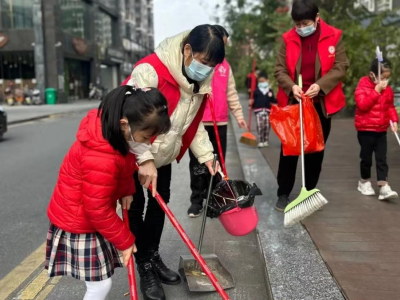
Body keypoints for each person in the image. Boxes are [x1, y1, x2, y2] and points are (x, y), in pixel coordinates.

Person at [122, 24, 224, 300]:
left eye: (212, 65)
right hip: (134, 155)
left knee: (160, 203)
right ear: (188, 50)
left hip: (164, 154)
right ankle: (143, 264)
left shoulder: (197, 83)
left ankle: (152, 255)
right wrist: (143, 159)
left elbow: (192, 124)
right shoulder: (151, 71)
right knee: (136, 206)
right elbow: (130, 119)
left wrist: (207, 157)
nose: (207, 69)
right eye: (204, 62)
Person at [45, 86, 171, 300]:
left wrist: (127, 190)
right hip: (80, 221)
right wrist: (126, 240)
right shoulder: (100, 155)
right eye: (147, 136)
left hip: (90, 217)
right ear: (124, 124)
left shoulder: (114, 135)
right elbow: (97, 208)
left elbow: (123, 164)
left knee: (100, 280)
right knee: (100, 285)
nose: (148, 142)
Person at [274, 0, 349, 211]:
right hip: (295, 102)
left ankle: (308, 192)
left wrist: (320, 85)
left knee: (315, 149)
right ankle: (283, 193)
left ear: (317, 18)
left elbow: (340, 66)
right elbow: (279, 70)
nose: (300, 28)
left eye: (304, 23)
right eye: (296, 24)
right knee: (289, 149)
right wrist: (291, 87)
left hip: (320, 104)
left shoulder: (334, 35)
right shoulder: (288, 39)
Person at [187, 25, 247, 218]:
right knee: (197, 164)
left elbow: (231, 93)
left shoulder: (225, 67)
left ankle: (214, 199)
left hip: (219, 122)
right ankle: (196, 200)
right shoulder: (199, 63)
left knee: (218, 163)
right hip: (198, 123)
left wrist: (238, 115)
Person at [355, 58, 398, 200]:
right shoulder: (362, 87)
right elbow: (363, 105)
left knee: (381, 158)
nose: (384, 82)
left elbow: (390, 107)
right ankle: (364, 181)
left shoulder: (388, 90)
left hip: (381, 130)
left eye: (387, 78)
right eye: (382, 78)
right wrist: (376, 91)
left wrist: (394, 120)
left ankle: (383, 185)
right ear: (372, 75)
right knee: (366, 158)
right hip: (366, 130)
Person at [249, 71, 277, 148]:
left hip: (268, 111)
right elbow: (252, 101)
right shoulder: (256, 91)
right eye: (260, 81)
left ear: (267, 80)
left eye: (263, 81)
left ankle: (265, 140)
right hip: (258, 111)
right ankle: (260, 140)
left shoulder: (270, 91)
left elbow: (273, 100)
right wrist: (251, 103)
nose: (262, 83)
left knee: (267, 126)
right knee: (260, 126)